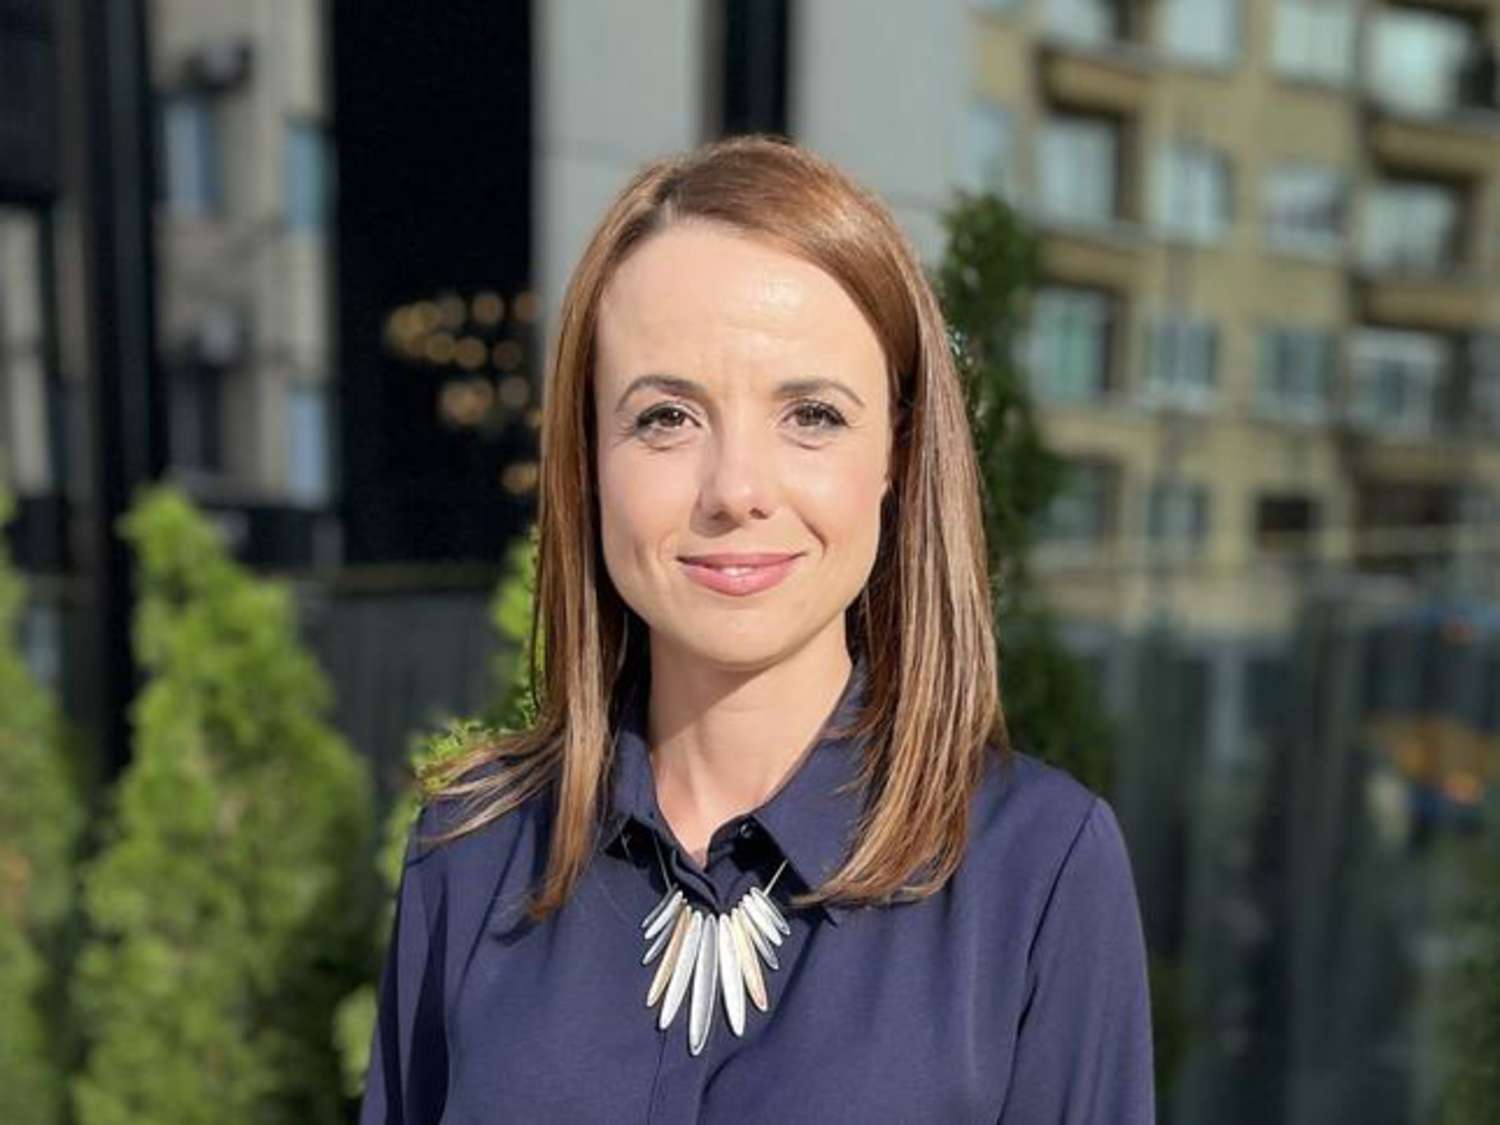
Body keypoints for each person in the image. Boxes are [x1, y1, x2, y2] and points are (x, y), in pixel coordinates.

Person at [359, 135, 1154, 1124]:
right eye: (666, 417)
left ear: (898, 453)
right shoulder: (470, 848)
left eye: (811, 414)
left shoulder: (1037, 868)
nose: (736, 489)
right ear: (589, 457)